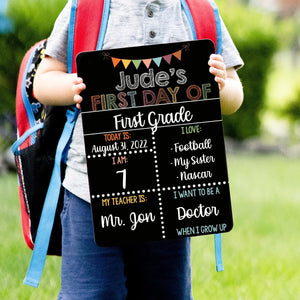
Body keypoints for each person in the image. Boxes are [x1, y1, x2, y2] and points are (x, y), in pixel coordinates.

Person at [33, 0, 244, 299]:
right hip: (91, 193)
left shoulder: (200, 11)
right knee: (91, 293)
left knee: (164, 292)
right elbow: (42, 82)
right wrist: (72, 87)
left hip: (171, 196)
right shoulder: (84, 8)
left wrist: (220, 87)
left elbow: (235, 94)